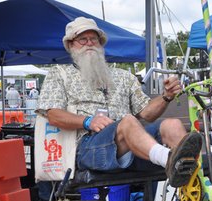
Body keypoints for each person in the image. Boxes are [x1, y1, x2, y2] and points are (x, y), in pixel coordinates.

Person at [36, 17, 201, 187]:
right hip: (88, 146)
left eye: (94, 39)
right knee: (128, 121)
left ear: (100, 44)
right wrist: (87, 121)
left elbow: (147, 113)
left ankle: (199, 188)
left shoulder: (124, 76)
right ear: (71, 45)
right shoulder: (59, 74)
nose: (89, 43)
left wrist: (166, 96)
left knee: (171, 124)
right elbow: (53, 115)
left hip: (131, 144)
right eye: (82, 39)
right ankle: (169, 159)